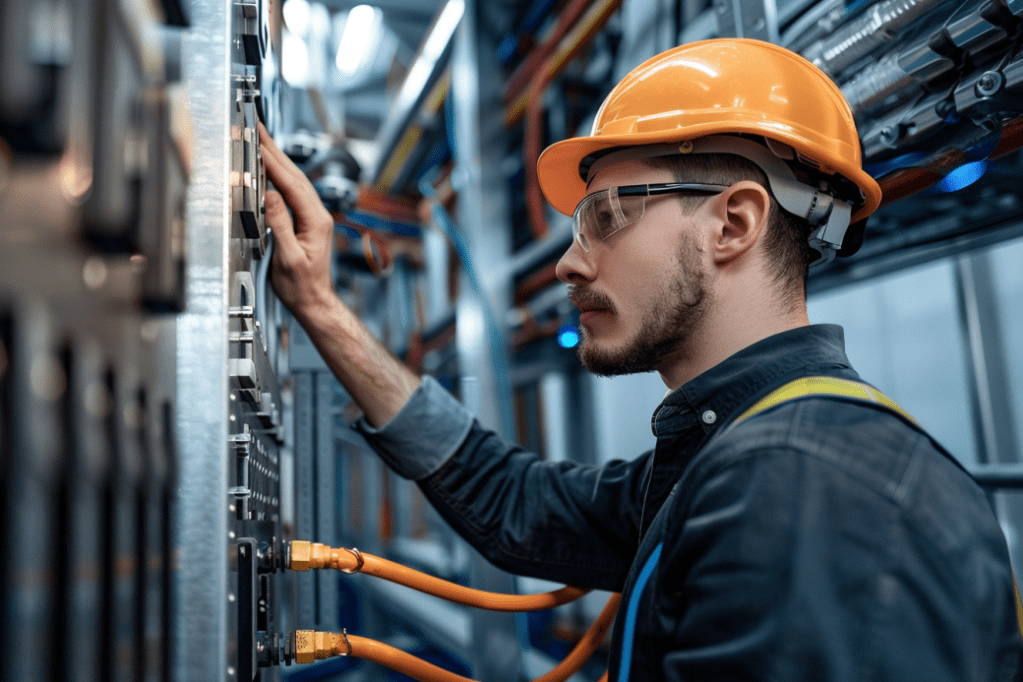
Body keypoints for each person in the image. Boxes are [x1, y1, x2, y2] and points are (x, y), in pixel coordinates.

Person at [259, 38, 1022, 681]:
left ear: (733, 224)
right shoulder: (737, 454)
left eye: (603, 218)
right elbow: (516, 503)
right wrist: (321, 307)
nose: (567, 263)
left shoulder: (801, 486)